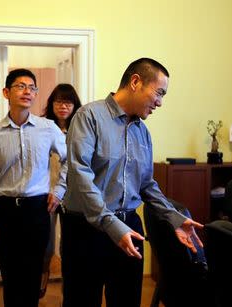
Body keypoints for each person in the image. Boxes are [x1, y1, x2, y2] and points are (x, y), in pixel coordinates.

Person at [61, 58, 204, 307]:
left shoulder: (143, 132)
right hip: (86, 230)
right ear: (136, 82)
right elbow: (80, 175)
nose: (160, 102)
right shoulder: (89, 116)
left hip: (130, 227)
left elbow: (147, 185)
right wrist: (112, 226)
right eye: (159, 93)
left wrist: (174, 218)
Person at [0, 69, 67, 306]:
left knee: (32, 274)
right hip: (5, 210)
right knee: (11, 276)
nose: (27, 91)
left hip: (37, 209)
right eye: (20, 86)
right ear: (6, 92)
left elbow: (70, 159)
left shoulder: (48, 129)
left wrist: (58, 191)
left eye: (32, 87)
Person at [39, 83, 81, 298]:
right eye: (58, 101)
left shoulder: (80, 129)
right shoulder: (42, 127)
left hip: (72, 195)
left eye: (68, 102)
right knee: (45, 242)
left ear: (74, 105)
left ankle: (70, 288)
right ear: (51, 104)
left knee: (69, 244)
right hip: (46, 193)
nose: (63, 106)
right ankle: (42, 277)